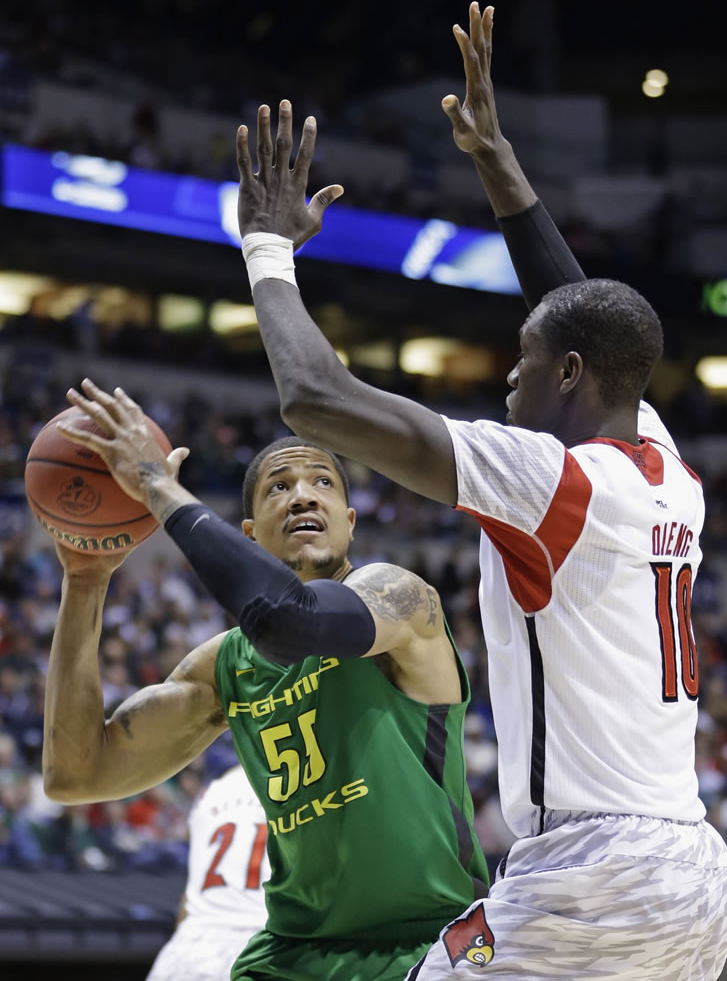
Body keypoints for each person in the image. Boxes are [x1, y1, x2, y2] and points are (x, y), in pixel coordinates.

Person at [229, 0, 727, 980]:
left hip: (592, 872)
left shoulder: (553, 482)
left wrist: (265, 249)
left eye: (523, 362)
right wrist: (495, 161)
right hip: (694, 873)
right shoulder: (665, 464)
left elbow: (313, 397)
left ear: (571, 376)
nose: (508, 380)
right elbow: (582, 315)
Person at [44, 393, 489, 981]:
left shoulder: (400, 600)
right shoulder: (227, 666)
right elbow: (76, 773)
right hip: (291, 954)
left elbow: (295, 621)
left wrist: (156, 485)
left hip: (425, 942)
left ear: (350, 523)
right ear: (249, 535)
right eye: (279, 486)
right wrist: (84, 581)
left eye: (323, 483)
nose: (303, 494)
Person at [145, 765, 270, 981]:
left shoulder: (211, 792)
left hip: (188, 946)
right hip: (259, 945)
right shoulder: (308, 790)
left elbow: (190, 893)